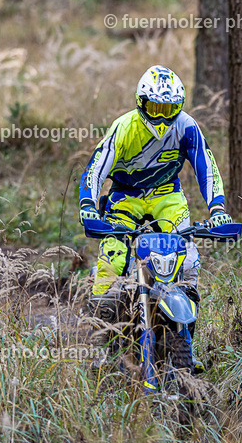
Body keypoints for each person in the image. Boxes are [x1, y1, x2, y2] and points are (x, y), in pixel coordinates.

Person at [79, 65, 232, 372]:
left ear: (179, 107)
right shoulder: (124, 127)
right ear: (141, 103)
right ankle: (103, 347)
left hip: (167, 198)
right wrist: (88, 205)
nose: (162, 117)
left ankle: (186, 341)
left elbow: (206, 166)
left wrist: (217, 209)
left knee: (188, 261)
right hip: (126, 198)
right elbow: (95, 167)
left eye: (169, 109)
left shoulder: (186, 126)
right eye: (155, 108)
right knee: (111, 263)